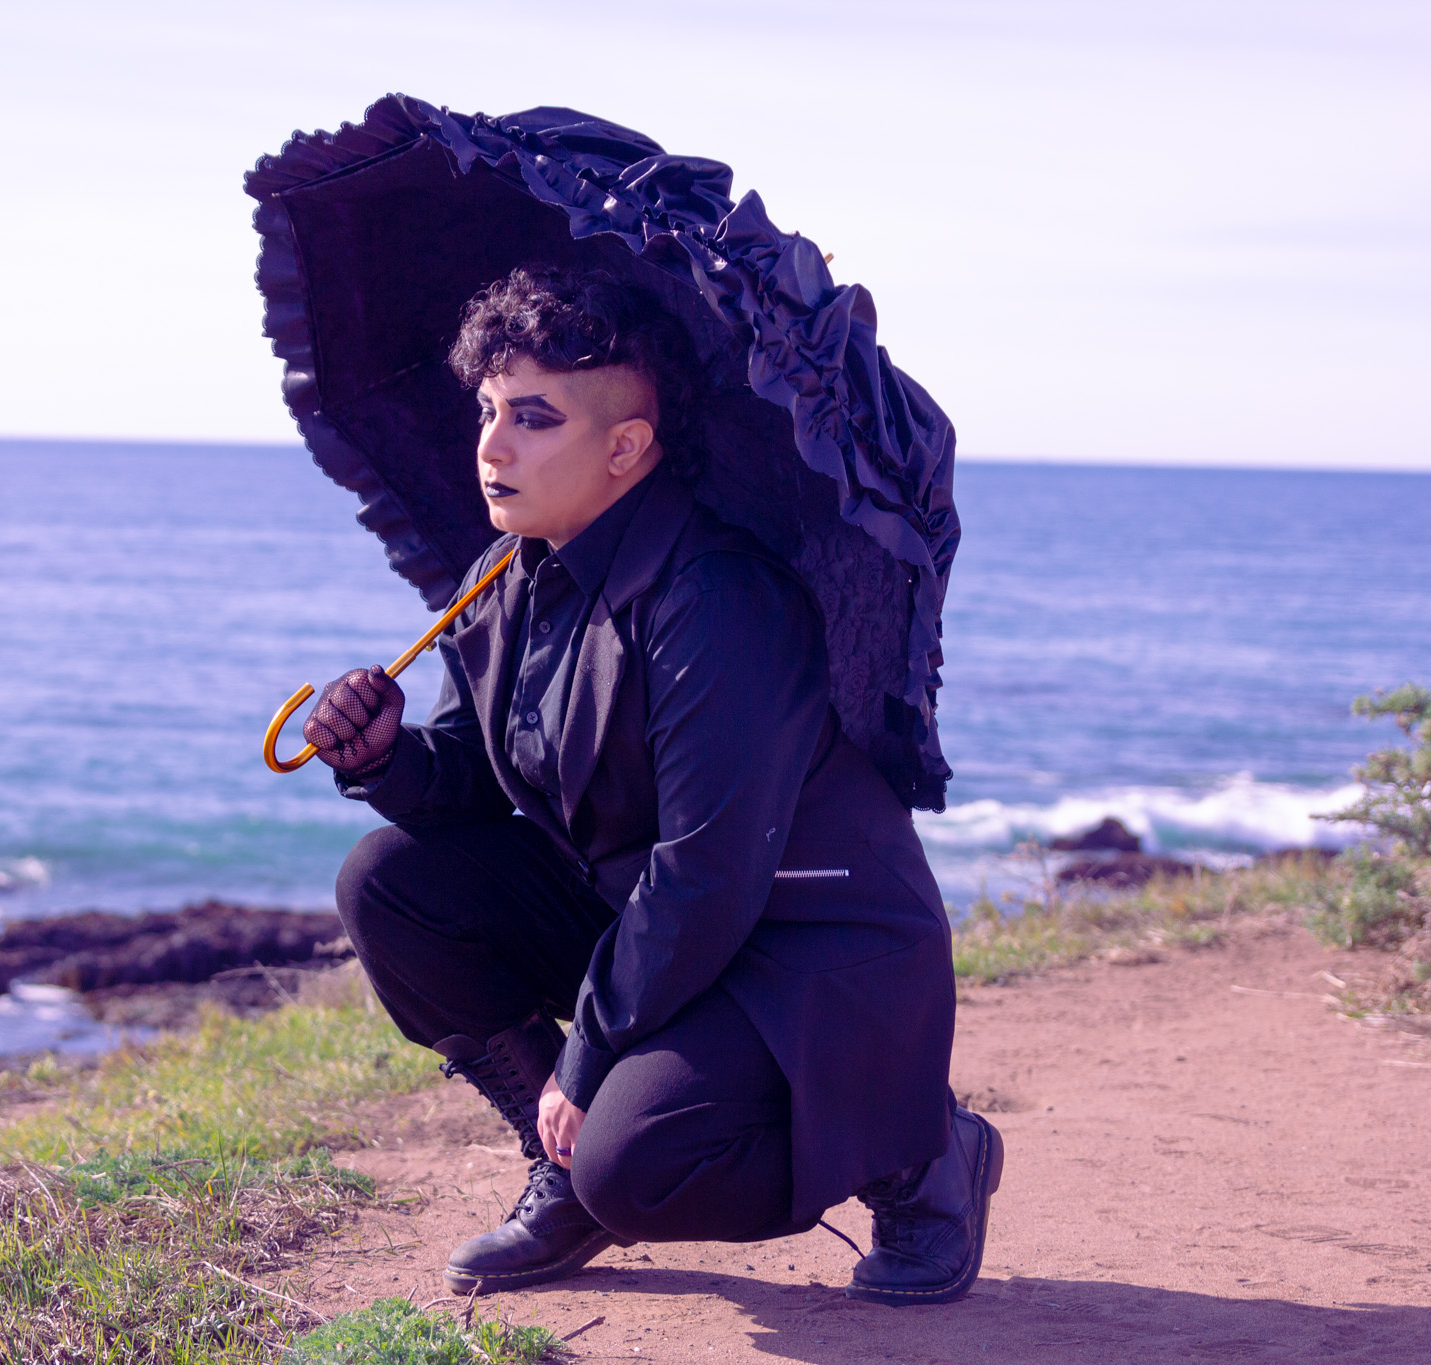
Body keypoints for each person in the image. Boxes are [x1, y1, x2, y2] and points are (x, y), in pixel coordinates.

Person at [301, 265, 1001, 1305]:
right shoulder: (501, 578)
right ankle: (564, 1181)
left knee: (639, 1165)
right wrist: (384, 760)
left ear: (625, 447)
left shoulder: (715, 598)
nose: (491, 446)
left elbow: (707, 869)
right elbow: (479, 783)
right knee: (390, 882)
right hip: (655, 923)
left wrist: (583, 1059)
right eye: (488, 411)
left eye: (533, 420)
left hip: (801, 947)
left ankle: (915, 1152)